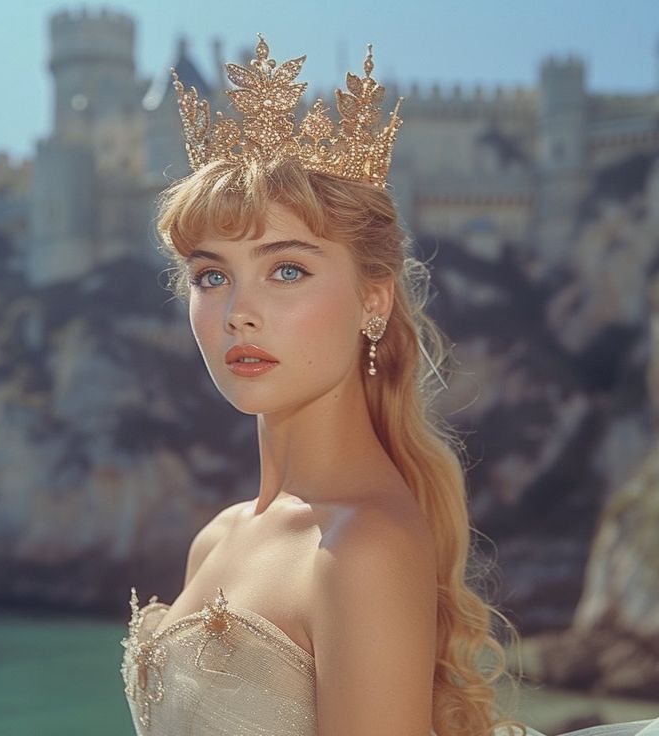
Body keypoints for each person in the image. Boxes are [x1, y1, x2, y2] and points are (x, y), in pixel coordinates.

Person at [119, 35, 659, 736]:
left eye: (286, 269)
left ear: (374, 301)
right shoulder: (215, 538)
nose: (236, 311)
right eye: (210, 275)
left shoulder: (362, 546)